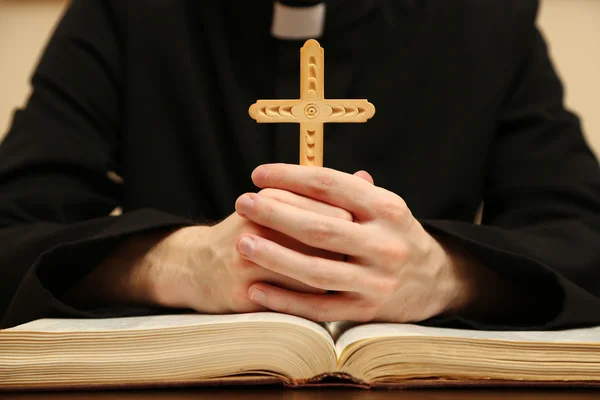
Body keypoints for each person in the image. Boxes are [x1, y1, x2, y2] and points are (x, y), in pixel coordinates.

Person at [1, 0, 599, 331]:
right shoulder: (124, 13)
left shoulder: (489, 19)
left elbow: (583, 239)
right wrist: (176, 264)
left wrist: (445, 275)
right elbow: (11, 231)